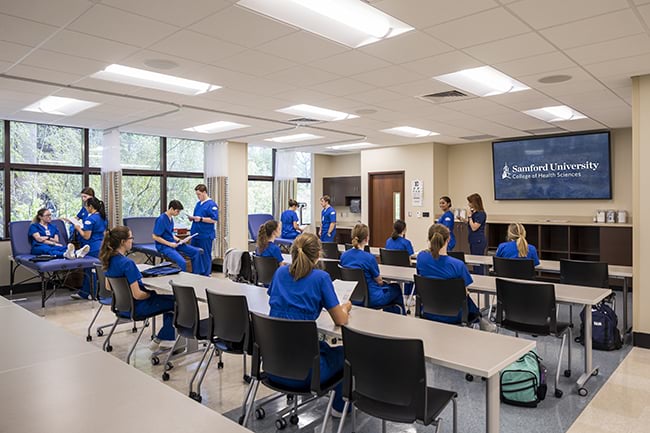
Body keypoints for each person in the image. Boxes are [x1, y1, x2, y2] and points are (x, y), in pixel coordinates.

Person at [267, 233, 352, 417]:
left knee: (319, 347)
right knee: (347, 354)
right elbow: (341, 320)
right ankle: (339, 408)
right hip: (306, 375)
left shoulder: (280, 273)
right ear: (318, 254)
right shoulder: (320, 278)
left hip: (273, 367)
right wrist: (346, 306)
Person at [100, 226, 175, 349]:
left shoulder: (109, 260)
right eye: (131, 238)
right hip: (138, 307)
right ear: (123, 242)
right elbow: (138, 295)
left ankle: (167, 336)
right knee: (176, 301)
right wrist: (153, 294)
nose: (132, 241)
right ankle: (164, 338)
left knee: (167, 300)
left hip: (123, 307)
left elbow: (109, 287)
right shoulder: (127, 264)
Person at [416, 224, 495, 331]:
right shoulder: (457, 265)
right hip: (455, 315)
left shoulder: (421, 258)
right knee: (468, 302)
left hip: (428, 311)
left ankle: (481, 320)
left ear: (429, 239)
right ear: (448, 239)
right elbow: (465, 293)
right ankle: (482, 321)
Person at [340, 223, 404, 314]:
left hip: (352, 296)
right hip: (372, 298)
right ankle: (396, 320)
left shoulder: (344, 256)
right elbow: (379, 281)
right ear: (366, 239)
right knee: (396, 288)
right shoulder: (369, 258)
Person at [153, 200, 204, 275]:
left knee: (196, 252)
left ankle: (196, 275)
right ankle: (181, 281)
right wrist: (170, 244)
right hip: (164, 246)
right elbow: (155, 236)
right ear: (171, 209)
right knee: (182, 262)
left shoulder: (170, 219)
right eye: (177, 211)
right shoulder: (161, 219)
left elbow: (169, 234)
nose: (178, 213)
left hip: (174, 243)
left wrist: (179, 240)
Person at [70, 197, 107, 300]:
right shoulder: (102, 217)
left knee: (90, 271)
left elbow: (86, 236)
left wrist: (78, 228)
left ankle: (92, 294)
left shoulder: (90, 220)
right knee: (97, 270)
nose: (85, 208)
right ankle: (86, 293)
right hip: (101, 246)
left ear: (90, 207)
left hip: (92, 248)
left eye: (86, 206)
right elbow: (104, 233)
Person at [188, 184, 218, 276]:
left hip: (205, 235)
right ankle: (196, 273)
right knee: (194, 254)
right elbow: (197, 217)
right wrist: (192, 218)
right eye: (196, 195)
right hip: (195, 234)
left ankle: (206, 274)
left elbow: (214, 219)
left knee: (205, 255)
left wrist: (201, 219)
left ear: (204, 192)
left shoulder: (211, 204)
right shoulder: (198, 204)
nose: (198, 196)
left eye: (199, 194)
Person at [466, 193, 487, 273]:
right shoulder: (475, 213)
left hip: (478, 241)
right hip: (473, 240)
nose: (469, 204)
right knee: (475, 262)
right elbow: (472, 224)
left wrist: (469, 217)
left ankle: (480, 277)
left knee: (478, 262)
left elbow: (474, 227)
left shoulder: (481, 214)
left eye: (470, 202)